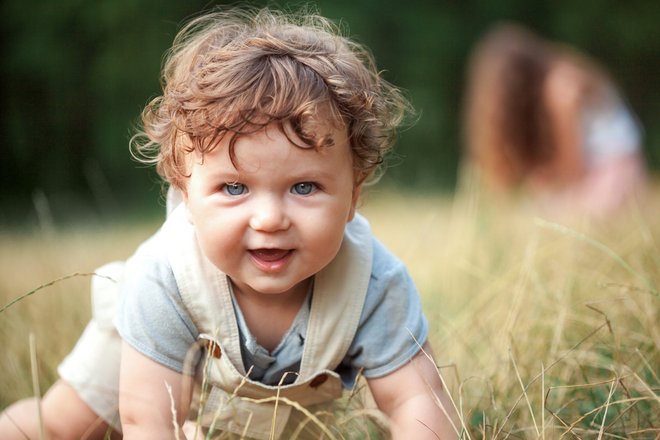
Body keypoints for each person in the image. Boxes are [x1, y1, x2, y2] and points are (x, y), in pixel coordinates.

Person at [0, 6, 459, 439]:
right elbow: (149, 420)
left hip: (249, 411)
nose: (270, 219)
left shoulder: (374, 283)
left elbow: (416, 396)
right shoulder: (163, 280)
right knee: (65, 424)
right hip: (144, 360)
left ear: (354, 194)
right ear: (185, 196)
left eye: (304, 187)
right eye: (234, 188)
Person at [462, 23, 646, 218]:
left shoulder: (562, 90)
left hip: (613, 177)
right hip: (612, 171)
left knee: (550, 212)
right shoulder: (562, 75)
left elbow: (573, 173)